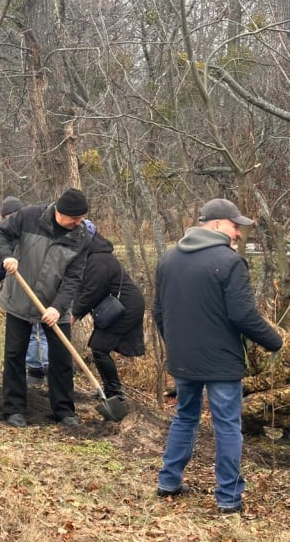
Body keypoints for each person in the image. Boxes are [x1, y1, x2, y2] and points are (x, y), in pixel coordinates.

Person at [153, 198, 282, 513]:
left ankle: (168, 482)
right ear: (214, 224)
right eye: (234, 225)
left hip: (183, 358)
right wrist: (275, 341)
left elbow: (158, 312)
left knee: (185, 416)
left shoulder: (168, 259)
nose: (238, 232)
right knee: (227, 425)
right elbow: (243, 315)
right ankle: (228, 498)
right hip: (221, 361)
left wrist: (176, 344)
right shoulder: (230, 262)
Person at [0, 188, 92, 428]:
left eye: (81, 218)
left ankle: (64, 411)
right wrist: (5, 256)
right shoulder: (28, 216)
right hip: (21, 298)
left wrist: (57, 307)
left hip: (56, 305)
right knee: (15, 353)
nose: (79, 223)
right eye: (75, 219)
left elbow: (74, 278)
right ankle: (14, 409)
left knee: (61, 357)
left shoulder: (82, 236)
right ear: (59, 212)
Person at [0, 196, 49, 383]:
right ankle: (38, 369)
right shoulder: (17, 233)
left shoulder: (23, 234)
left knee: (40, 329)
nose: (9, 220)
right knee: (38, 330)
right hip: (28, 290)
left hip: (37, 290)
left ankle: (42, 368)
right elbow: (1, 266)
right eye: (7, 217)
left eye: (11, 216)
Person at [71, 226, 145, 403]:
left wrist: (74, 314)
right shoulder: (92, 256)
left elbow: (92, 291)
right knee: (99, 347)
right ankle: (110, 389)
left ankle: (115, 393)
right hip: (115, 307)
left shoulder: (99, 259)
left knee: (99, 347)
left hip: (125, 308)